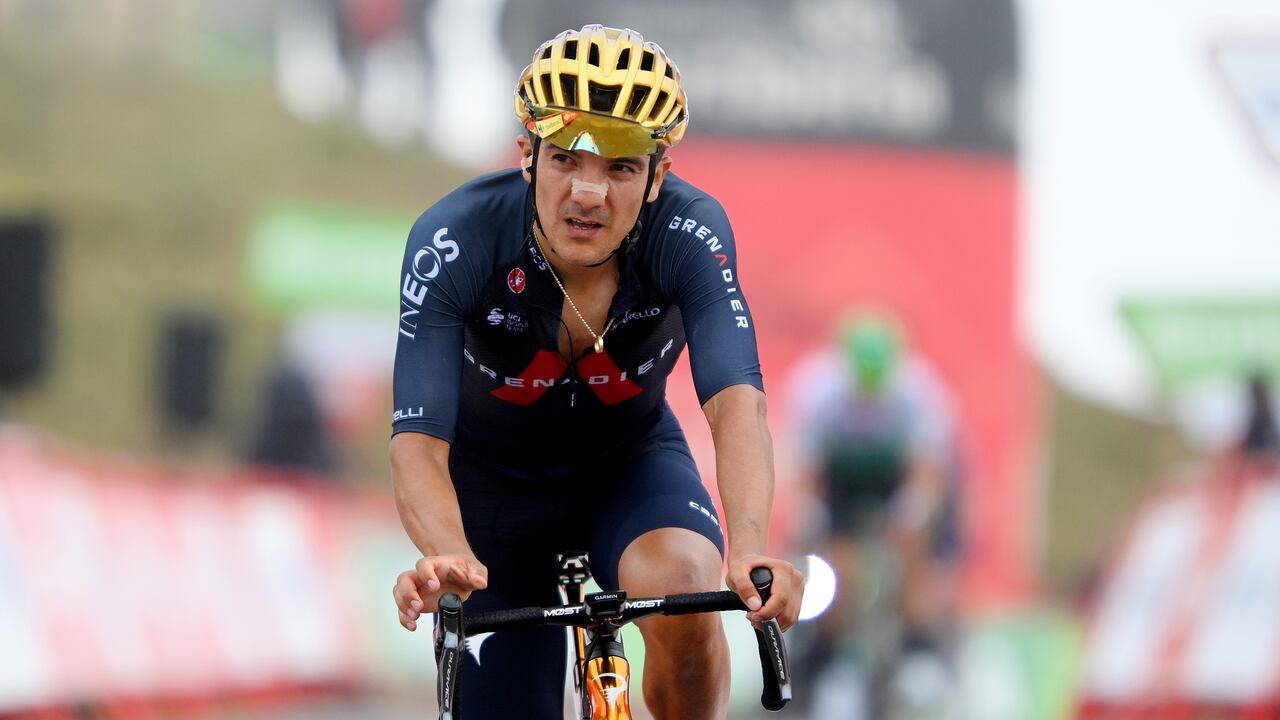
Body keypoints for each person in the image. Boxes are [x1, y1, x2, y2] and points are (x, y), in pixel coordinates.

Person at [386, 25, 803, 720]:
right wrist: (448, 554)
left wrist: (751, 550)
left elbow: (737, 402)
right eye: (567, 159)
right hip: (493, 495)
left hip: (628, 466)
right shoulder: (453, 239)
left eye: (621, 168)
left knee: (685, 587)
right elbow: (417, 443)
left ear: (659, 176)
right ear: (528, 155)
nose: (589, 192)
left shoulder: (690, 233)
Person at [785, 311, 963, 716]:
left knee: (915, 548)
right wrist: (812, 518)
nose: (866, 398)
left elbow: (927, 474)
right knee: (834, 562)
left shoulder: (919, 390)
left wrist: (911, 516)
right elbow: (808, 475)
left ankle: (919, 651)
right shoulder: (816, 390)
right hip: (843, 476)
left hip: (895, 474)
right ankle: (831, 657)